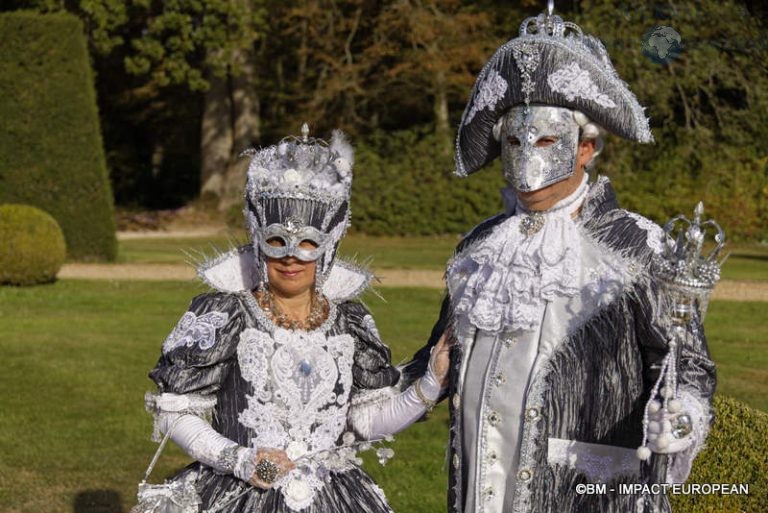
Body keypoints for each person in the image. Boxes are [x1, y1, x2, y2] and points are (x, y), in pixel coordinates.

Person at [399, 5, 716, 513]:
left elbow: (690, 369)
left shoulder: (637, 245)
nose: (529, 163)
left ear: (587, 147)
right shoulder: (478, 250)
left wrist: (681, 418)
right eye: (516, 142)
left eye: (548, 140)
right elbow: (436, 359)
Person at [134, 125, 451, 513]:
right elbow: (176, 411)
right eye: (276, 241)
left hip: (333, 498)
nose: (291, 257)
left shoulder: (349, 321)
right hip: (240, 494)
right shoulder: (226, 314)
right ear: (258, 241)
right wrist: (240, 459)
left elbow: (367, 421)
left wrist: (430, 385)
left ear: (327, 247)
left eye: (307, 244)